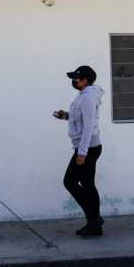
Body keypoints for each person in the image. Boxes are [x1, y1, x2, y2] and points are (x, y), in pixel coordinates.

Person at [53, 65, 105, 237]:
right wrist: (66, 116)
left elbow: (88, 127)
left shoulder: (88, 97)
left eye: (77, 78)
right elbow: (81, 118)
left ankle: (94, 219)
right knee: (88, 185)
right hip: (88, 146)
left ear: (86, 80)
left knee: (70, 181)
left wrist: (82, 153)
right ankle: (95, 224)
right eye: (74, 78)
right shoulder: (84, 95)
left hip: (88, 148)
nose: (74, 81)